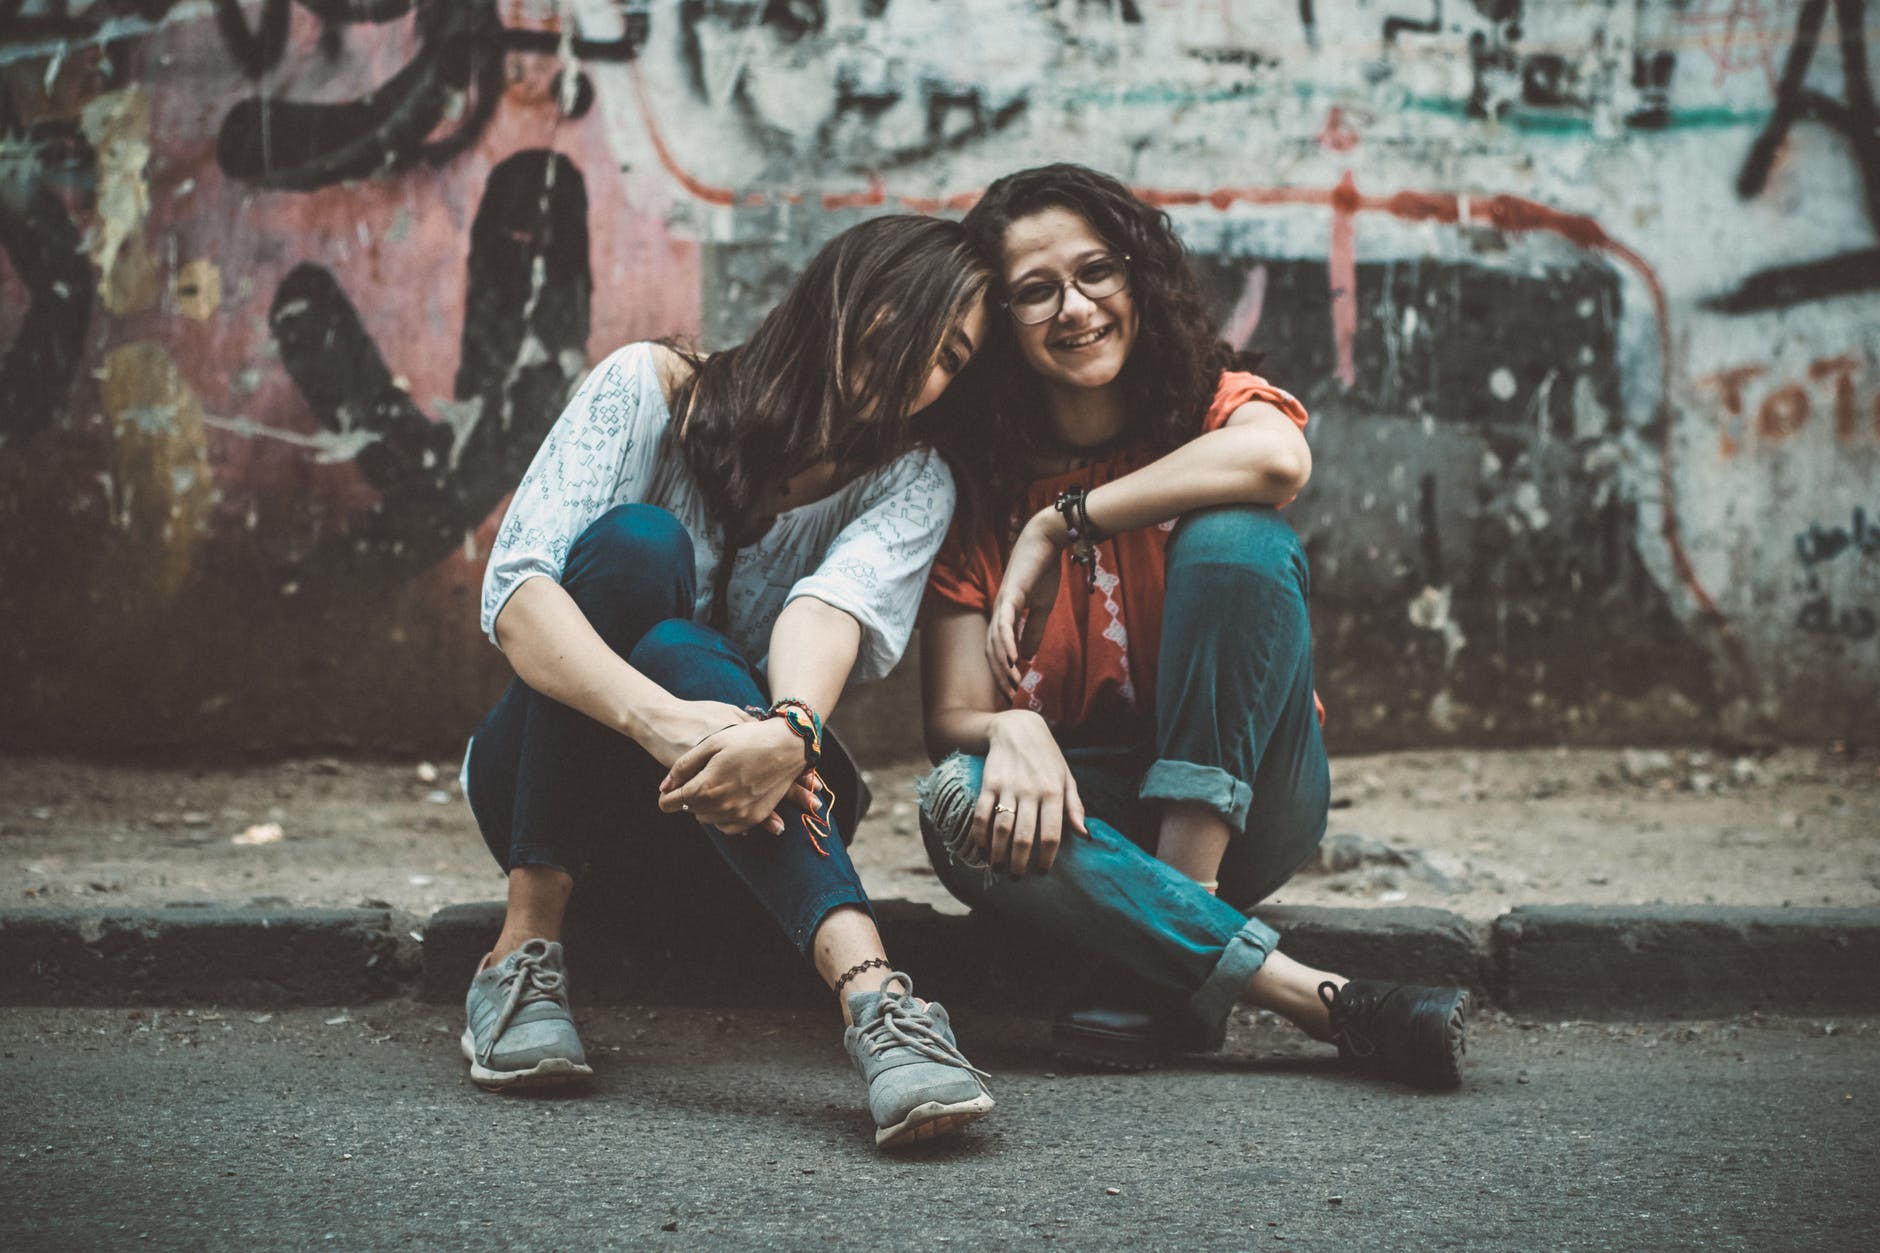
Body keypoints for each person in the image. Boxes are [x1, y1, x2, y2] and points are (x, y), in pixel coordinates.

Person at [918, 164, 1469, 1087]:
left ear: (1138, 274)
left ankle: (1177, 913)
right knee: (951, 800)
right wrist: (1010, 725)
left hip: (1254, 795)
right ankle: (1298, 993)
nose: (1076, 308)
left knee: (1239, 537)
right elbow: (950, 718)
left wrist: (1064, 520)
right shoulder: (976, 485)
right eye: (1035, 291)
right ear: (1000, 322)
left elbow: (1277, 456)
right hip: (1085, 820)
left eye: (1098, 271)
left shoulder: (1205, 407)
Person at [461, 215, 998, 1148]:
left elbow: (827, 610)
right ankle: (523, 950)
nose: (920, 362)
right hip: (545, 804)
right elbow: (517, 598)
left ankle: (881, 1005)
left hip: (747, 829)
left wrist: (787, 727)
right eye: (909, 317)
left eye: (951, 353)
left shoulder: (914, 480)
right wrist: (660, 719)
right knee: (638, 550)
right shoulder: (648, 387)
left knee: (684, 646)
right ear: (843, 288)